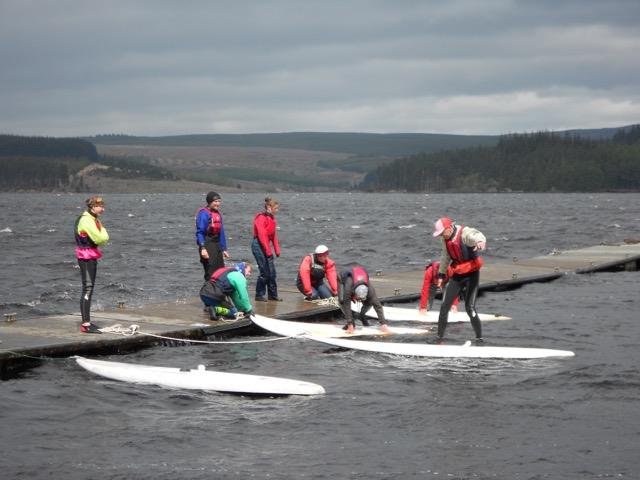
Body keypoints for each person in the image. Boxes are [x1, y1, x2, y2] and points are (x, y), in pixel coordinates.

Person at [432, 217, 487, 342]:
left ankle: (479, 338)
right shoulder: (445, 240)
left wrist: (480, 242)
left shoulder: (464, 233)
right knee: (444, 306)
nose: (441, 236)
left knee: (470, 307)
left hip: (472, 274)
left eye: (442, 233)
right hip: (458, 274)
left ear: (449, 228)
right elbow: (446, 257)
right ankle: (439, 338)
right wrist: (441, 275)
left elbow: (476, 235)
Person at [74, 196, 110, 334]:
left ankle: (87, 321)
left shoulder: (93, 219)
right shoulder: (86, 220)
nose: (103, 209)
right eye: (100, 206)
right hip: (86, 256)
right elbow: (102, 237)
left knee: (89, 288)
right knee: (87, 288)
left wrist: (103, 234)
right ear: (92, 207)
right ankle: (85, 325)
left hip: (90, 255)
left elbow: (103, 236)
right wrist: (103, 234)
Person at [338, 265, 389, 334]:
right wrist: (350, 324)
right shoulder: (348, 289)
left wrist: (383, 324)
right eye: (358, 299)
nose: (359, 301)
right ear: (354, 293)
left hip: (359, 279)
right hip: (342, 278)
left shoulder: (370, 290)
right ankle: (352, 323)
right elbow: (347, 305)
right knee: (342, 301)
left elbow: (378, 306)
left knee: (370, 301)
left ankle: (361, 315)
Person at [251, 197, 281, 302]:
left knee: (272, 272)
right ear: (269, 207)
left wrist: (277, 249)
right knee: (264, 272)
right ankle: (259, 295)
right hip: (258, 245)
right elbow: (262, 235)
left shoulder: (272, 219)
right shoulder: (260, 218)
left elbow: (273, 236)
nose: (277, 210)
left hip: (266, 245)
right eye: (275, 208)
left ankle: (273, 295)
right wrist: (268, 251)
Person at [195, 191, 229, 281]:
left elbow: (221, 232)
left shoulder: (217, 214)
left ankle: (219, 294)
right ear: (210, 202)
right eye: (215, 201)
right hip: (207, 243)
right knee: (210, 272)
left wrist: (224, 249)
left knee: (221, 271)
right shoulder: (204, 214)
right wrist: (203, 248)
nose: (218, 204)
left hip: (216, 244)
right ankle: (209, 293)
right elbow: (200, 232)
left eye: (219, 201)